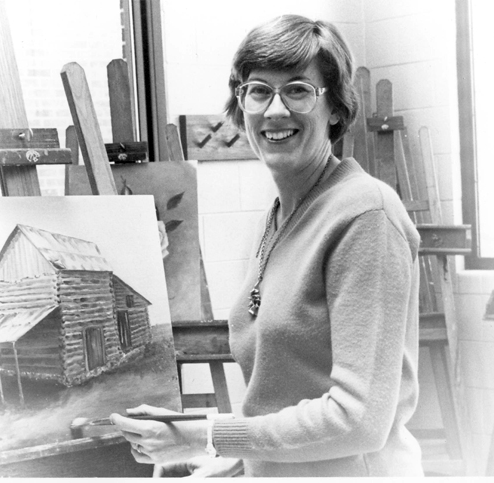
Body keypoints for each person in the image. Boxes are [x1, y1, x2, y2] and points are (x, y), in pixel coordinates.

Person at [110, 14, 423, 477]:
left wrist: (205, 435)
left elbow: (357, 422)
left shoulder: (365, 214)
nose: (275, 110)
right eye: (259, 90)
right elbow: (287, 398)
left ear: (334, 107)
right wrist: (230, 461)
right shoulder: (275, 219)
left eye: (298, 89)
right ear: (241, 107)